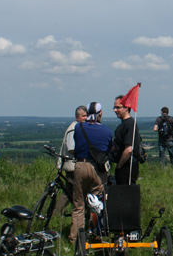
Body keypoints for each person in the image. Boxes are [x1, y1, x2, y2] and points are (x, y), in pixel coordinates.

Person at [70, 102, 112, 243]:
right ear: (100, 114)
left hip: (81, 165)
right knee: (97, 202)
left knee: (78, 205)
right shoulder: (107, 131)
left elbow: (77, 144)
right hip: (97, 170)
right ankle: (95, 234)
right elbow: (108, 150)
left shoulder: (79, 127)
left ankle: (75, 238)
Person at [56, 105, 87, 214]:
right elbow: (71, 148)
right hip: (72, 166)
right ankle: (80, 211)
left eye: (86, 116)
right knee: (77, 191)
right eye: (83, 116)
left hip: (73, 165)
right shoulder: (74, 128)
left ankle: (56, 212)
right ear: (77, 116)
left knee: (68, 191)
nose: (85, 118)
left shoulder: (77, 127)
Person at [112, 95, 144, 185]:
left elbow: (129, 149)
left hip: (127, 167)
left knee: (126, 194)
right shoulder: (123, 124)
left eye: (118, 107)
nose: (115, 110)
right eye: (114, 107)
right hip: (125, 165)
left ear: (126, 108)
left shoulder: (129, 124)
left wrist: (119, 166)